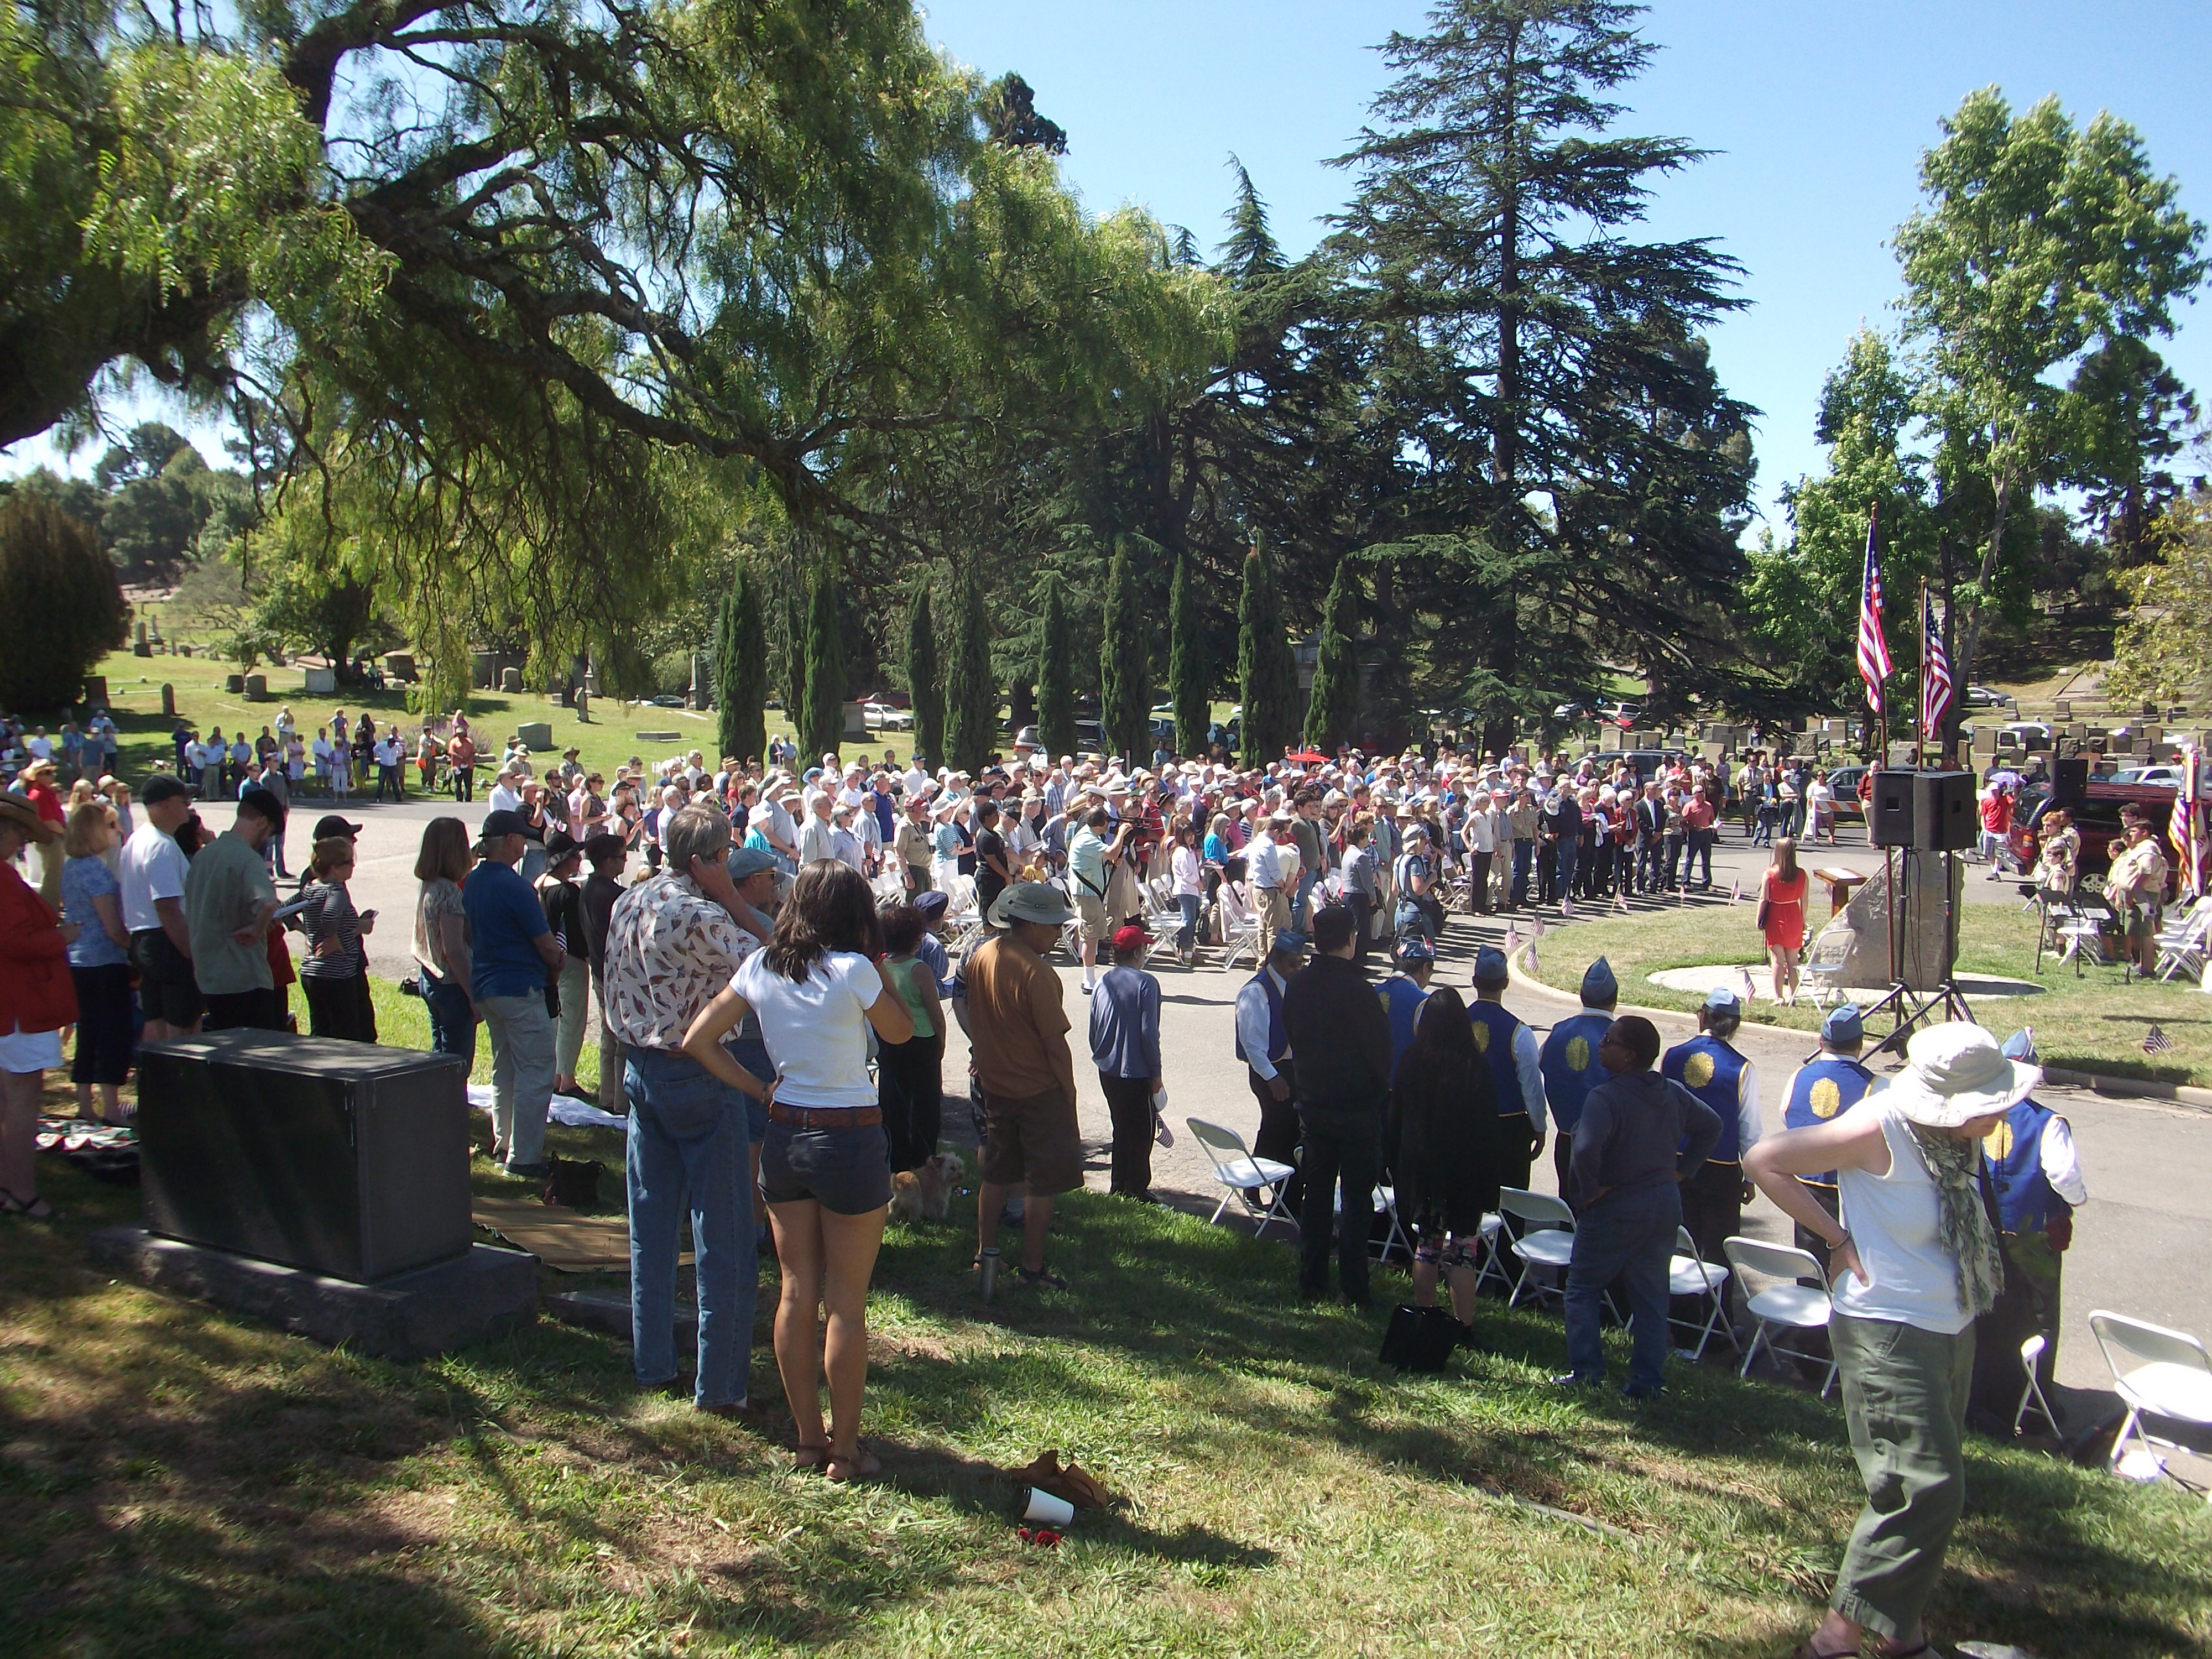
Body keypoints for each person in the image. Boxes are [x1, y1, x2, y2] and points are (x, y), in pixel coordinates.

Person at [1744, 1024, 2035, 1659]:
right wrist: (1836, 1239)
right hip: (1889, 1330)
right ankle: (1832, 1640)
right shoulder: (1879, 1126)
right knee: (1928, 1488)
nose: (2002, 1108)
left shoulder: (1953, 1141)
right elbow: (1763, 1160)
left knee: (1912, 1486)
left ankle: (1904, 1636)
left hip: (1948, 1324)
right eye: (1991, 1099)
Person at [684, 862, 910, 1479]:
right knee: (845, 1303)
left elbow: (698, 1040)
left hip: (786, 1133)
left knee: (794, 1292)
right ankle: (846, 1449)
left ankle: (808, 1439)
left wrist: (759, 1090)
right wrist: (881, 970)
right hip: (850, 1138)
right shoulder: (855, 970)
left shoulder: (761, 966)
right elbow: (900, 1031)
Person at [606, 804, 774, 1418]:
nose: (730, 865)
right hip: (699, 1072)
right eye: (724, 856)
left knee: (650, 1227)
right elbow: (776, 953)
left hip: (640, 1067)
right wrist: (730, 895)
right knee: (723, 1233)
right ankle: (722, 1384)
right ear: (704, 861)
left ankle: (652, 1362)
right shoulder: (701, 913)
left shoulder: (633, 899)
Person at [1556, 1015, 1722, 1399]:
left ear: (1629, 1056)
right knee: (1651, 1297)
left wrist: (1588, 1192)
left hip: (1616, 1203)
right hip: (1664, 1203)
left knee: (1581, 1288)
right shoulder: (1671, 1091)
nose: (1601, 1045)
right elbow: (1711, 1126)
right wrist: (1683, 1172)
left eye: (1609, 1041)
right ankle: (1648, 1381)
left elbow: (1584, 1149)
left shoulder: (1605, 1097)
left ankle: (1587, 1374)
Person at [1967, 1029, 2087, 1433]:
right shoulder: (2047, 1122)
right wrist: (2074, 1200)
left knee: (1990, 1313)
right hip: (2032, 1238)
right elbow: (2064, 1178)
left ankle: (1986, 1393)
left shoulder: (1975, 1115)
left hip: (1986, 1230)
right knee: (2041, 1317)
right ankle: (2036, 1401)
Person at [964, 881, 1082, 1288]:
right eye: (1052, 927)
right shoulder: (1038, 972)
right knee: (1041, 1182)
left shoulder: (982, 955)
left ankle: (984, 1254)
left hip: (995, 1086)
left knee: (996, 1175)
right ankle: (1032, 1268)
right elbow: (1056, 1045)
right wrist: (1068, 1092)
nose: (1057, 934)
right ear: (1031, 925)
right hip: (1038, 1091)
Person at [1281, 905, 1391, 1306]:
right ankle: (1353, 1287)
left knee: (1318, 1195)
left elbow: (1293, 1031)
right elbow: (1379, 1053)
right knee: (1358, 1203)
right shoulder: (1361, 990)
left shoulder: (1298, 985)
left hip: (1314, 1102)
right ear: (1350, 940)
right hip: (1357, 1108)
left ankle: (1312, 1280)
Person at [1389, 985, 1505, 1330]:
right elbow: (1487, 1129)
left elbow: (1396, 1118)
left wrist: (1395, 1165)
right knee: (1464, 1252)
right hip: (1465, 1173)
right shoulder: (1476, 1068)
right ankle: (1463, 1326)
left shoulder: (1411, 1062)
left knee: (1427, 1246)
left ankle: (1425, 1318)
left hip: (1425, 1172)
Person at [466, 808, 565, 1176]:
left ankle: (502, 1140)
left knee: (504, 1066)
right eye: (521, 837)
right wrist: (556, 958)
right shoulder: (516, 886)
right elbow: (545, 943)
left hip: (488, 985)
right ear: (510, 841)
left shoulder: (474, 882)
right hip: (520, 986)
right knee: (537, 1069)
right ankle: (524, 1157)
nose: (524, 843)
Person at [1, 794, 76, 1218]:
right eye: (18, 832)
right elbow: (14, 942)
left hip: (10, 1002)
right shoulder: (3, 880)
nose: (22, 841)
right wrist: (61, 938)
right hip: (18, 1002)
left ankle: (8, 1186)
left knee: (7, 1098)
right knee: (22, 1099)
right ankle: (23, 1191)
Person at [1660, 988, 1762, 1268]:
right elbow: (1749, 1128)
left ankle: (1679, 1310)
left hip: (1675, 1165)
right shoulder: (1742, 1068)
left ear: (1702, 1016)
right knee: (1718, 1252)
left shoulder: (1672, 1056)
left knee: (1678, 1244)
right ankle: (1717, 1309)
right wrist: (1750, 1178)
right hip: (1722, 1171)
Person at [185, 786, 285, 1032]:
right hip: (244, 977)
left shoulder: (203, 857)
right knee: (254, 1059)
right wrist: (256, 928)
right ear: (262, 822)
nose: (266, 839)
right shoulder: (247, 859)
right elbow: (268, 903)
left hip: (208, 975)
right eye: (269, 832)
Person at [1779, 1003, 1876, 1257]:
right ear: (1860, 1044)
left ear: (1821, 1041)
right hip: (1853, 1193)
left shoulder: (1798, 1076)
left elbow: (1787, 1117)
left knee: (1810, 1269)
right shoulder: (1877, 1087)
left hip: (1805, 1190)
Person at [60, 804, 134, 1123]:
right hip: (105, 962)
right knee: (112, 1032)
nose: (116, 831)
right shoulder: (95, 870)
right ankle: (111, 1106)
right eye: (110, 825)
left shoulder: (70, 867)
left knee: (87, 1032)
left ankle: (85, 1104)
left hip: (78, 961)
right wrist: (137, 951)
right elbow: (113, 928)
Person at [119, 775, 201, 1040]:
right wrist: (192, 953)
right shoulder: (161, 846)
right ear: (165, 805)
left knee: (155, 1020)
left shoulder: (137, 839)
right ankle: (179, 1078)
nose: (188, 806)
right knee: (183, 1025)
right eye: (183, 801)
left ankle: (155, 1079)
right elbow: (168, 908)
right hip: (167, 941)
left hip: (145, 941)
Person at [1089, 922, 1165, 1201]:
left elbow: (1094, 1028)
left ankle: (1119, 1183)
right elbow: (1149, 1033)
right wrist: (1156, 1074)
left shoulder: (1103, 981)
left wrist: (1101, 1054)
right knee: (1142, 1132)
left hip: (1107, 1068)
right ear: (1138, 952)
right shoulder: (1147, 983)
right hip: (1136, 1072)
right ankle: (1136, 1187)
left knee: (1121, 1127)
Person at [1235, 931, 1308, 1216]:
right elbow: (1252, 1044)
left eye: (1300, 964)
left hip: (1290, 1067)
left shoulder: (1293, 985)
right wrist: (1272, 1078)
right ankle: (1284, 1199)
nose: (1297, 969)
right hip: (1270, 1070)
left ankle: (1256, 1185)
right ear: (1275, 959)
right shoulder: (1257, 991)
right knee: (1286, 1133)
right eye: (1292, 964)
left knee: (1275, 1131)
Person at [1468, 946, 1546, 1192]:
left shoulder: (1455, 1022)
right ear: (1506, 983)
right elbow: (1531, 1088)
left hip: (1463, 1124)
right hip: (1508, 1132)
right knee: (1510, 1206)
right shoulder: (1519, 1033)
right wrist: (1539, 1127)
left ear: (1474, 981)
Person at [1538, 958, 1619, 1192]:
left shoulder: (1558, 1031)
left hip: (1565, 1142)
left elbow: (1540, 1067)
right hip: (1607, 1149)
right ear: (1614, 1000)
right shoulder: (1620, 1039)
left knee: (1568, 1210)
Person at [875, 905, 945, 1172]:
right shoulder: (920, 969)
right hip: (922, 1041)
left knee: (894, 1100)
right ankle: (924, 1160)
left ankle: (896, 1161)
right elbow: (936, 1014)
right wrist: (941, 1042)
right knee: (926, 1102)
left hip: (890, 1039)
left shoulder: (881, 968)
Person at [412, 817, 479, 1071]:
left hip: (430, 977)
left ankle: (436, 1104)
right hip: (452, 983)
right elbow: (454, 950)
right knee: (456, 1063)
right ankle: (448, 1107)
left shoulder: (429, 884)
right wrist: (474, 996)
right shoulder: (449, 892)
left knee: (439, 1052)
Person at [298, 834, 376, 1041]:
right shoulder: (336, 891)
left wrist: (306, 930)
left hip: (311, 971)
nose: (353, 866)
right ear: (334, 867)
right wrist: (335, 936)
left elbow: (285, 910)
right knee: (346, 1034)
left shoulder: (310, 888)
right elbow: (330, 914)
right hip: (338, 974)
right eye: (349, 862)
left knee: (320, 1030)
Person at [538, 831, 592, 1097]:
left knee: (555, 1018)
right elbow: (575, 932)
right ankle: (566, 1078)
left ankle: (555, 1073)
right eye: (574, 856)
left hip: (545, 959)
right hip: (569, 958)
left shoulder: (539, 884)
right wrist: (588, 958)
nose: (578, 860)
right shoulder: (568, 892)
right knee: (572, 1018)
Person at [580, 830, 629, 1115]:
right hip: (615, 973)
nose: (625, 861)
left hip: (599, 970)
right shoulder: (613, 895)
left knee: (607, 1036)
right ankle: (622, 1101)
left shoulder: (588, 889)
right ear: (608, 861)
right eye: (622, 857)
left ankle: (607, 1095)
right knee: (622, 1039)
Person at [2104, 818, 2169, 977]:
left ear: (2145, 832)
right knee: (2133, 929)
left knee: (2144, 931)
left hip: (2142, 894)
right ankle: (2140, 963)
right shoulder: (2139, 848)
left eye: (2133, 831)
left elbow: (2146, 873)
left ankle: (2148, 968)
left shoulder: (2148, 849)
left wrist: (2133, 893)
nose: (2130, 834)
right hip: (2133, 893)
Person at [1759, 836, 1811, 1005]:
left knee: (1777, 960)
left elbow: (1764, 899)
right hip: (1794, 916)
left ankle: (1779, 996)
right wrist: (1802, 920)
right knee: (1793, 961)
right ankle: (1792, 996)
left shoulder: (1770, 874)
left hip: (1776, 915)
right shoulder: (1802, 874)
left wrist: (1760, 920)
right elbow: (1804, 900)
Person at [1378, 933, 1434, 1083]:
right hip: (1404, 1088)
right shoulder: (1423, 1002)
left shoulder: (1373, 991)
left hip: (1370, 1085)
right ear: (1425, 968)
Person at [1170, 822, 1206, 964]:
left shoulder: (1189, 851)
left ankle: (1187, 948)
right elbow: (1187, 874)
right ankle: (1185, 949)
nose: (1191, 838)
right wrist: (1197, 883)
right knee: (1188, 921)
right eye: (1188, 835)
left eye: (1192, 835)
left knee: (1191, 920)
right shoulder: (1182, 852)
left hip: (1192, 890)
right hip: (1186, 890)